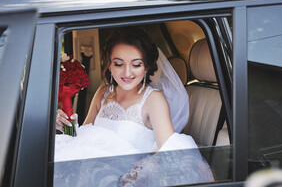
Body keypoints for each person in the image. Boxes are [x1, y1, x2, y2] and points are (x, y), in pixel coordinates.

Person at [54, 27, 213, 186]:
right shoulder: (102, 93)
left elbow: (168, 150)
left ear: (146, 67)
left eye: (136, 64)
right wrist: (68, 127)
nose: (127, 73)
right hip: (92, 176)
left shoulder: (153, 99)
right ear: (109, 64)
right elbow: (83, 139)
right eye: (118, 64)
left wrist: (131, 178)